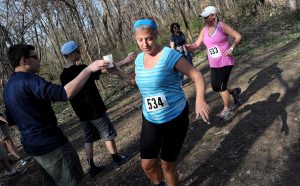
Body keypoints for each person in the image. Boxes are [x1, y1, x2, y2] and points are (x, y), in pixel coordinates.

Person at [108, 18, 210, 186]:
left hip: (175, 117)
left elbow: (197, 76)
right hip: (151, 118)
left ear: (155, 35)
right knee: (147, 165)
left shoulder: (170, 56)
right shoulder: (139, 59)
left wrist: (200, 99)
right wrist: (118, 72)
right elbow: (136, 81)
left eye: (149, 38)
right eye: (140, 40)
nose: (145, 44)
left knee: (167, 165)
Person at [3, 44, 111, 186]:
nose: (39, 60)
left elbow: (12, 122)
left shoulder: (8, 88)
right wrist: (89, 69)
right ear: (24, 60)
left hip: (33, 148)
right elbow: (64, 93)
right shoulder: (30, 80)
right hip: (52, 145)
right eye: (35, 57)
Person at [59, 41, 134, 177]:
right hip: (95, 110)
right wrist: (125, 61)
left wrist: (123, 61)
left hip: (82, 115)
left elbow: (103, 70)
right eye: (77, 52)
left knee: (89, 139)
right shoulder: (82, 68)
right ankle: (116, 158)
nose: (80, 53)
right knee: (108, 135)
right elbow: (105, 70)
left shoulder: (63, 75)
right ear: (70, 55)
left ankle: (91, 166)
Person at [185, 5, 242, 120]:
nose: (204, 19)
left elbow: (238, 36)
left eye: (206, 17)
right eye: (203, 17)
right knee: (216, 86)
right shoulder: (204, 30)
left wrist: (231, 49)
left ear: (213, 16)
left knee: (221, 86)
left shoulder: (221, 26)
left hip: (225, 61)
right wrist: (189, 46)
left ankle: (227, 109)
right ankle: (234, 92)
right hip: (214, 63)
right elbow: (197, 44)